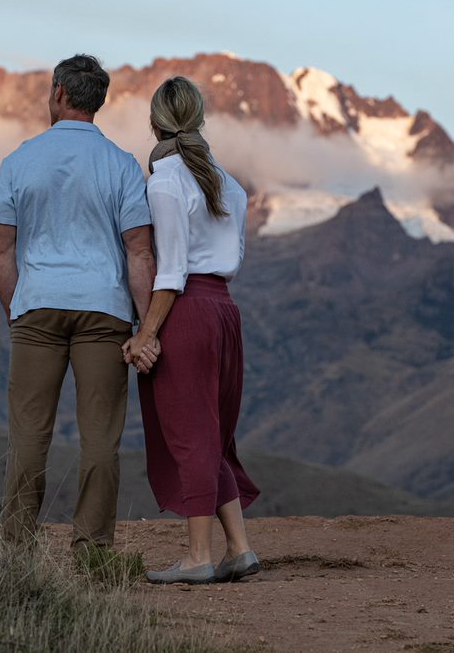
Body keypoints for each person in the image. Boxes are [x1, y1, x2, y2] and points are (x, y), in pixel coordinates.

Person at [0, 53, 157, 550]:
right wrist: (146, 327)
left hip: (36, 306)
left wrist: (18, 310)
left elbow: (0, 251)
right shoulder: (122, 165)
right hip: (104, 310)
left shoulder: (18, 161)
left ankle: (17, 546)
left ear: (59, 92)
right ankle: (92, 550)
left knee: (28, 435)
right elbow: (140, 250)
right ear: (97, 101)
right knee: (101, 437)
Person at [123, 75, 260, 584]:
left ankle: (199, 557)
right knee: (215, 433)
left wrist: (146, 334)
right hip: (225, 310)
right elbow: (233, 257)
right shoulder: (232, 184)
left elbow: (172, 269)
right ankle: (239, 549)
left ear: (156, 122)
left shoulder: (164, 181)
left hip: (186, 311)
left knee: (190, 435)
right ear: (198, 120)